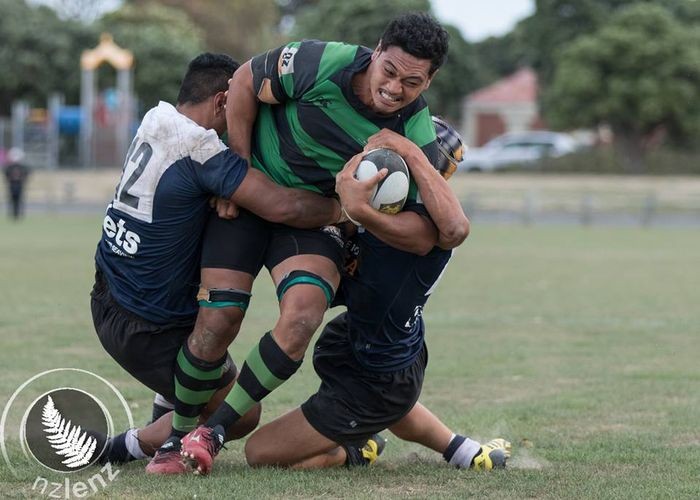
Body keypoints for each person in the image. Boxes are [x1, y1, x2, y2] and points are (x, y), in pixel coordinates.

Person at [163, 12, 454, 476]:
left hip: (313, 218)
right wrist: (239, 169)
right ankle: (173, 436)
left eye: (412, 82)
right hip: (251, 199)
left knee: (302, 316)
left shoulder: (414, 129)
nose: (395, 89)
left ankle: (211, 433)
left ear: (430, 80)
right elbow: (242, 82)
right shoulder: (320, 61)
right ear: (376, 51)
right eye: (390, 72)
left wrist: (361, 213)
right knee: (218, 319)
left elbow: (430, 232)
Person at [90, 53, 341, 473]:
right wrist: (343, 210)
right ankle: (120, 448)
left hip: (107, 297)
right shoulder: (199, 146)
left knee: (203, 335)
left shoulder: (157, 119)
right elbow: (283, 206)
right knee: (242, 414)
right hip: (148, 327)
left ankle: (161, 412)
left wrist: (222, 186)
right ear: (225, 100)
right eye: (242, 108)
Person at [243, 118, 512, 471]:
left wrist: (369, 201)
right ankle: (465, 452)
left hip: (380, 376)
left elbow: (454, 227)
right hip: (382, 350)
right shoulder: (391, 209)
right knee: (391, 402)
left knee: (259, 453)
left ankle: (356, 450)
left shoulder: (429, 231)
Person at [3, 148, 30, 219]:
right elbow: (6, 175)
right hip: (12, 185)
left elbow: (26, 174)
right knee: (11, 200)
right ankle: (11, 214)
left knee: (19, 200)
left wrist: (22, 180)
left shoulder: (23, 167)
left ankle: (19, 214)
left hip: (19, 185)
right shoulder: (9, 167)